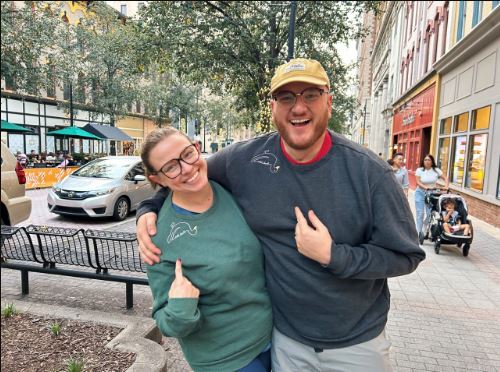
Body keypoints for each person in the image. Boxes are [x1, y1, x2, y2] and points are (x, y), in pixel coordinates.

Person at [136, 58, 425, 371]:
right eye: (286, 97)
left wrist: (333, 255)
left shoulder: (370, 173)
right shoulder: (243, 160)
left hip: (356, 345)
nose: (298, 107)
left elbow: (405, 256)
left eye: (310, 95)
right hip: (285, 342)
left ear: (329, 101)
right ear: (272, 107)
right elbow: (186, 174)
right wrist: (147, 209)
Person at [141, 127, 272, 372]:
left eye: (187, 154)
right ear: (157, 179)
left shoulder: (229, 188)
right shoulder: (159, 237)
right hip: (225, 359)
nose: (187, 168)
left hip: (272, 337)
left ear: (197, 149)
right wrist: (180, 308)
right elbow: (164, 320)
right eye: (171, 167)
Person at [415, 154, 449, 242]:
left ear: (432, 161)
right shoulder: (420, 170)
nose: (426, 161)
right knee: (420, 213)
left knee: (430, 213)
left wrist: (446, 186)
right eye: (425, 160)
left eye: (429, 160)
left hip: (431, 194)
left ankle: (425, 225)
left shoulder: (436, 170)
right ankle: (419, 232)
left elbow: (445, 177)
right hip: (420, 193)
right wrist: (425, 187)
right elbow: (418, 182)